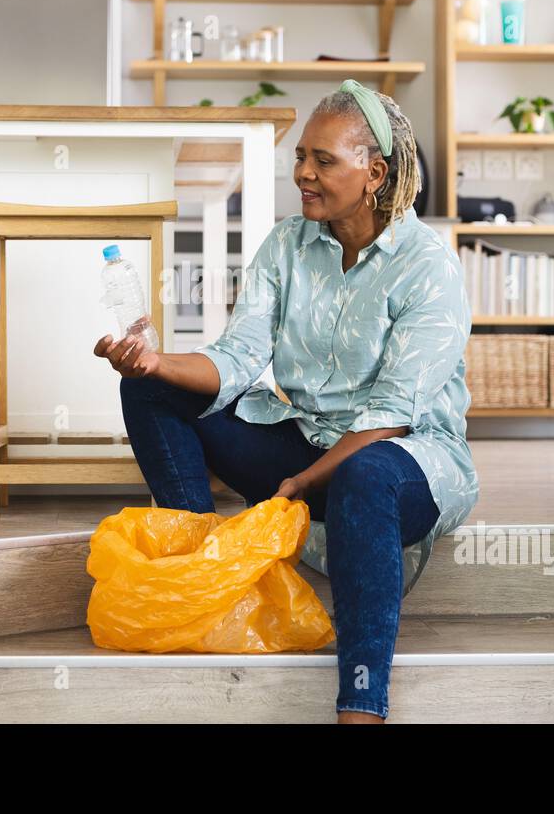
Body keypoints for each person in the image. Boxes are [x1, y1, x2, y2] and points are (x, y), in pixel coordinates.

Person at [93, 79, 477, 723]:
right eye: (301, 157)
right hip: (305, 446)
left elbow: (390, 418)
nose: (302, 173)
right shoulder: (286, 247)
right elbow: (238, 360)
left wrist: (296, 483)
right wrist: (157, 363)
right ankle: (203, 581)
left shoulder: (427, 266)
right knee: (149, 389)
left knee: (364, 473)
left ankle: (361, 704)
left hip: (403, 465)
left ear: (374, 172)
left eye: (323, 161)